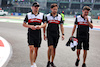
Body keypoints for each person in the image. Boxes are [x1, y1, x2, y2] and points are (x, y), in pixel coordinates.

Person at [23, 2, 46, 67]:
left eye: (37, 6)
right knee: (31, 48)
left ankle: (34, 62)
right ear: (32, 7)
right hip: (31, 33)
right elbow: (24, 24)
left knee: (36, 49)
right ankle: (32, 64)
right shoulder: (28, 15)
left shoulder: (41, 15)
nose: (36, 8)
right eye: (35, 6)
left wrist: (40, 27)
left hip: (38, 33)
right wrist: (30, 26)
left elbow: (45, 24)